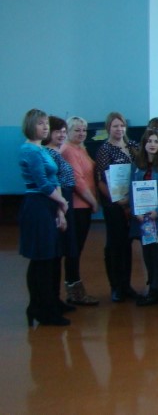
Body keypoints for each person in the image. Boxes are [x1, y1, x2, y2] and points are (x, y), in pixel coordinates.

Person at [19, 109, 71, 326]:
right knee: (41, 259)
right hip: (38, 206)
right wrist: (63, 202)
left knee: (51, 258)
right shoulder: (29, 150)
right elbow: (42, 183)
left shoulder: (41, 149)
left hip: (50, 204)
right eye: (41, 124)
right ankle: (40, 308)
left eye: (46, 124)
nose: (45, 127)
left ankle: (47, 303)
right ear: (31, 126)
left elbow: (54, 178)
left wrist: (59, 209)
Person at [129, 129, 158, 306]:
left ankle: (156, 290)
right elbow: (132, 188)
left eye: (156, 141)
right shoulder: (137, 164)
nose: (152, 144)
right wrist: (136, 211)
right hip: (143, 219)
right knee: (148, 253)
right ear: (144, 144)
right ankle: (156, 284)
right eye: (149, 141)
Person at [96, 112, 139, 302]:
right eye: (115, 126)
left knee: (127, 244)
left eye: (121, 125)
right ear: (108, 128)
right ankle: (116, 287)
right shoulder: (104, 149)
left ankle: (126, 285)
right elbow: (100, 180)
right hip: (114, 205)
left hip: (132, 202)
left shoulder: (133, 146)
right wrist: (117, 200)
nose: (119, 129)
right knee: (115, 244)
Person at [60, 116, 100, 305]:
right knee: (73, 250)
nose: (82, 133)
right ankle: (74, 291)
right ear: (68, 131)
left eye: (84, 130)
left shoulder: (80, 148)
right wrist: (93, 202)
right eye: (77, 130)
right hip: (77, 207)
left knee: (77, 249)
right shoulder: (68, 150)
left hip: (83, 207)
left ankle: (74, 288)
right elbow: (77, 181)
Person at [43, 116, 79, 314]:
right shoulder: (48, 153)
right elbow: (52, 184)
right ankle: (51, 299)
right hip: (58, 202)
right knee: (55, 253)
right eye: (58, 131)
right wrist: (60, 210)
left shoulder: (57, 151)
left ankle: (56, 298)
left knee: (62, 251)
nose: (62, 135)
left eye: (64, 131)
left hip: (65, 199)